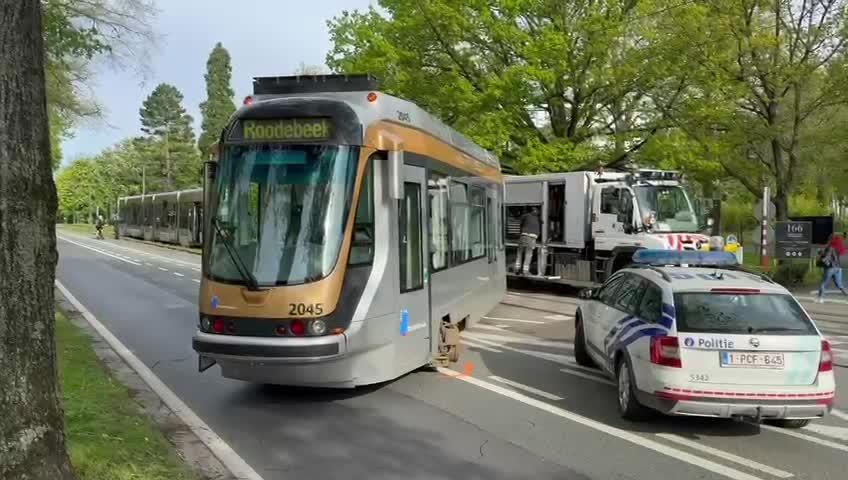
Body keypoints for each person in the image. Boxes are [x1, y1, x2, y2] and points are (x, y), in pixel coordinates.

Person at [816, 233, 847, 303]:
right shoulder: (839, 247)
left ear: (831, 240)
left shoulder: (830, 247)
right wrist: (822, 253)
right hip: (838, 268)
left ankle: (820, 298)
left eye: (829, 239)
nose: (828, 241)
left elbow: (827, 256)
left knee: (823, 283)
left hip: (830, 268)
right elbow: (832, 255)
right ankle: (846, 294)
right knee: (839, 285)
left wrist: (821, 258)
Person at [514, 206, 541, 275]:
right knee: (528, 254)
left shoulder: (525, 215)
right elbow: (542, 222)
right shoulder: (537, 217)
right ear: (536, 211)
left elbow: (520, 222)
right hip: (531, 238)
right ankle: (525, 271)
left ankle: (517, 269)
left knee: (519, 253)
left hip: (523, 236)